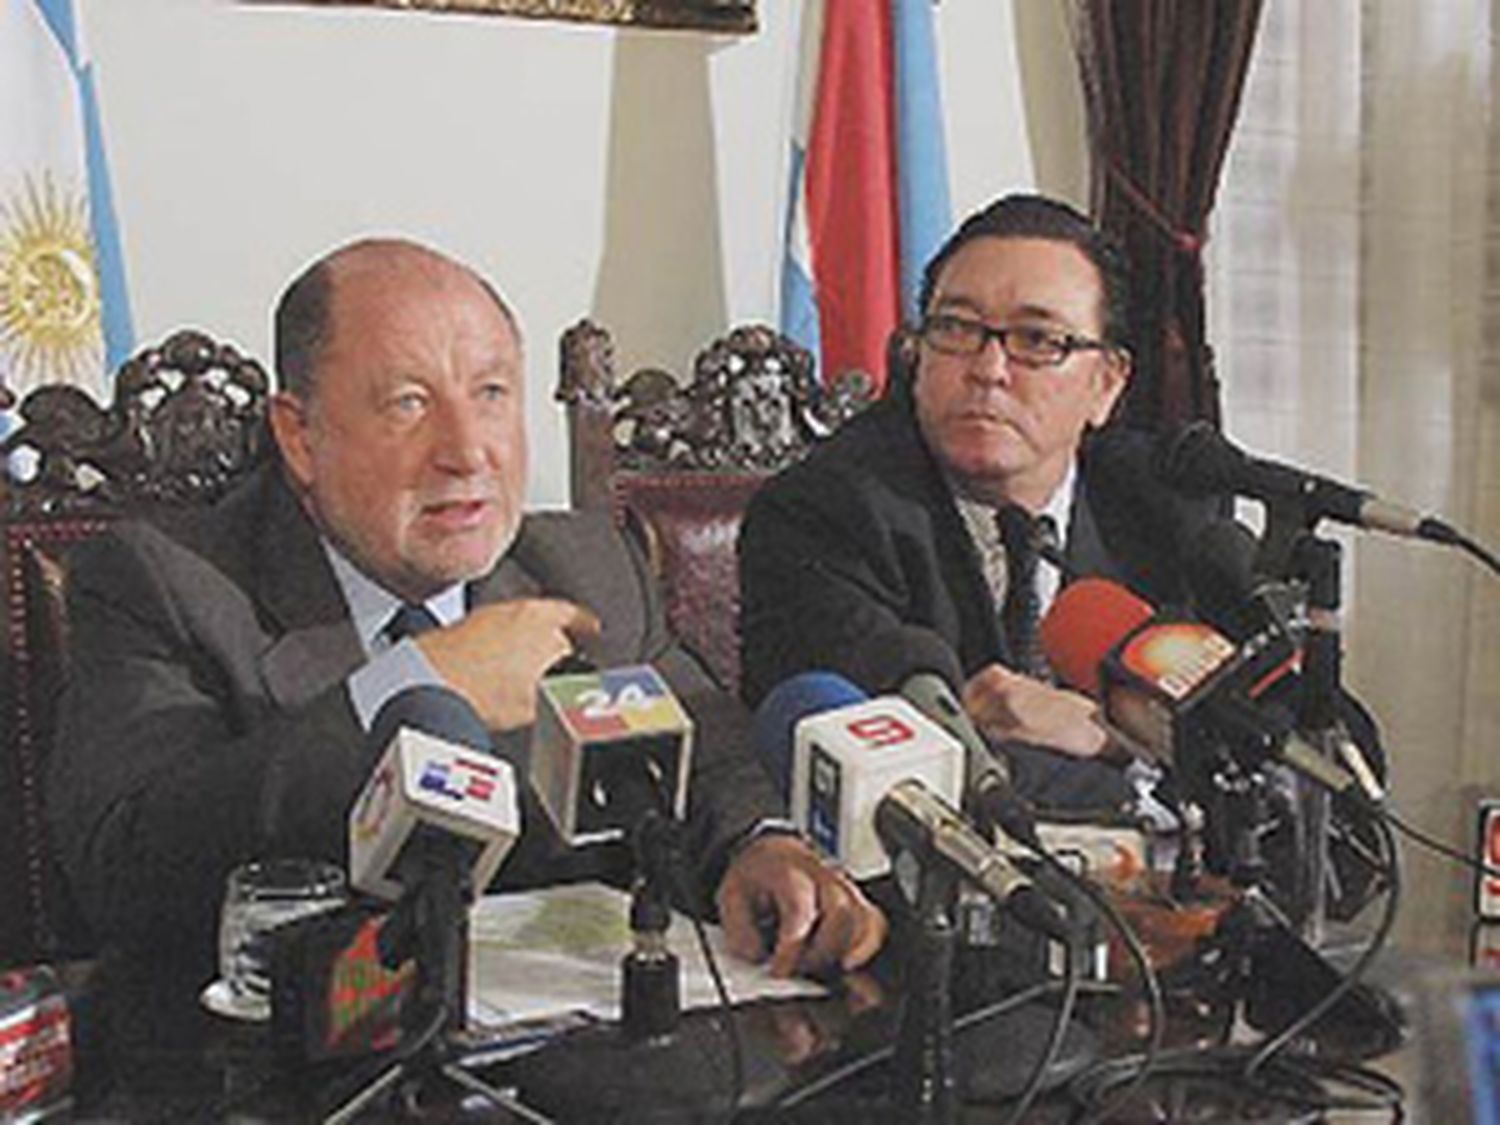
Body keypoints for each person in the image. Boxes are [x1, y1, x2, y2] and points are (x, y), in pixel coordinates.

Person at [48, 238, 885, 978]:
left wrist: (758, 844)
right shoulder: (165, 583)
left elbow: (710, 753)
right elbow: (126, 871)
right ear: (300, 437)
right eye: (408, 402)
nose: (466, 450)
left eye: (490, 393)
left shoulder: (587, 565)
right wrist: (413, 683)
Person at [738, 194, 1217, 808]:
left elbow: (1311, 761)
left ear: (1107, 384)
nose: (989, 369)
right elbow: (895, 773)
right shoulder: (825, 511)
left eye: (1038, 340)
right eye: (957, 330)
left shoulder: (1168, 508)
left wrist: (1118, 740)